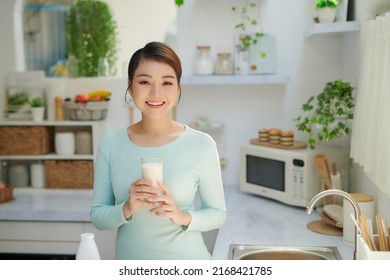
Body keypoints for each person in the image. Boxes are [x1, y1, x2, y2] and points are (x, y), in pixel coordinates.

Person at [90, 41, 227, 260]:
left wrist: (182, 216)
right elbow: (98, 216)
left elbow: (218, 214)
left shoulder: (201, 144)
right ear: (130, 86)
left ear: (178, 88)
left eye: (167, 82)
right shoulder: (111, 143)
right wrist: (126, 207)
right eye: (145, 81)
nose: (156, 93)